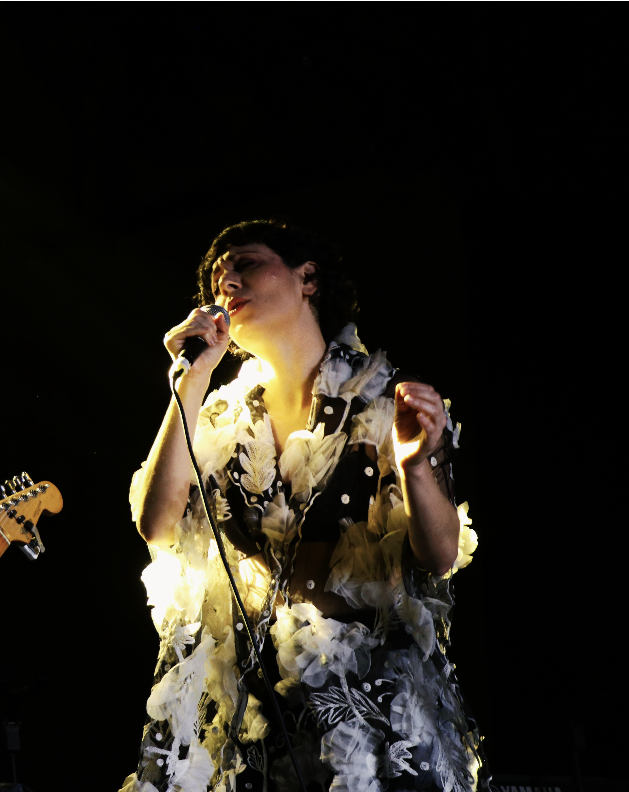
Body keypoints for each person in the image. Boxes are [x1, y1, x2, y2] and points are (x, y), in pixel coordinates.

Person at [120, 221, 488, 792]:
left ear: (307, 278)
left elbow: (439, 556)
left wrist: (416, 467)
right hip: (258, 716)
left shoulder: (384, 396)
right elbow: (158, 523)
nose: (226, 282)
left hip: (372, 715)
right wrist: (192, 381)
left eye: (245, 264)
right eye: (217, 279)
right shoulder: (217, 415)